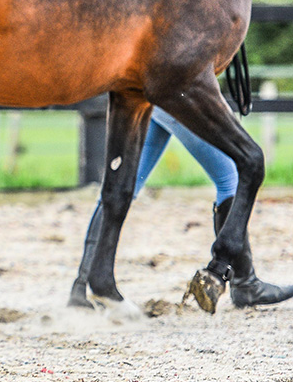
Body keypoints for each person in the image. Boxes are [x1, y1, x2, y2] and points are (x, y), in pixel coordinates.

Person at [71, 106, 293, 310]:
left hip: (152, 100)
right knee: (230, 177)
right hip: (177, 97)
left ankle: (82, 286)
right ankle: (244, 282)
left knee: (123, 185)